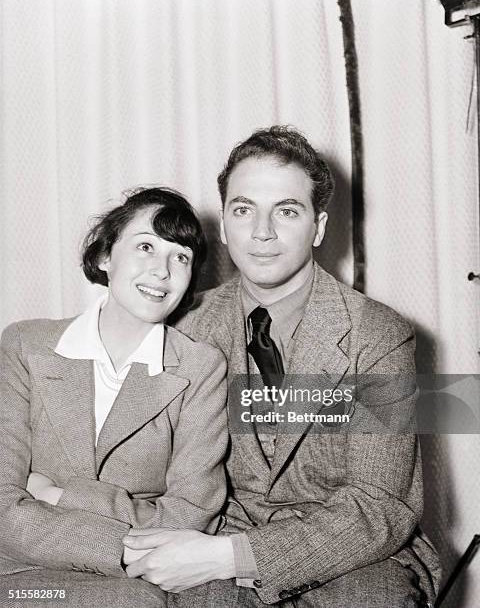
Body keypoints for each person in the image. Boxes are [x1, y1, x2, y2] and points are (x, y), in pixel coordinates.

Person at [122, 128, 441, 607]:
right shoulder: (182, 327)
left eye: (287, 211)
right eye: (244, 209)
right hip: (210, 536)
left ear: (318, 227)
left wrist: (234, 557)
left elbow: (379, 508)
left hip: (354, 554)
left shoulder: (378, 335)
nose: (262, 232)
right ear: (224, 227)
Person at [0, 187, 228, 607]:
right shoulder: (24, 345)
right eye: (146, 246)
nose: (162, 271)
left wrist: (59, 496)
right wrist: (118, 549)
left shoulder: (201, 368)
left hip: (139, 584)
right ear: (106, 256)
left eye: (181, 257)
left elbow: (190, 516)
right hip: (21, 572)